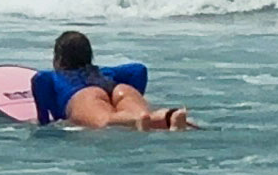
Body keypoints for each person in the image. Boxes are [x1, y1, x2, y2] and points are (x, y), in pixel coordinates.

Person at [31, 30, 195, 130]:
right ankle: (168, 116)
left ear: (58, 59)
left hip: (84, 95)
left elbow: (40, 80)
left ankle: (135, 119)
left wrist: (44, 121)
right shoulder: (105, 72)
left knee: (106, 121)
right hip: (118, 87)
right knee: (146, 115)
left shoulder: (53, 76)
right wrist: (125, 98)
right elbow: (138, 70)